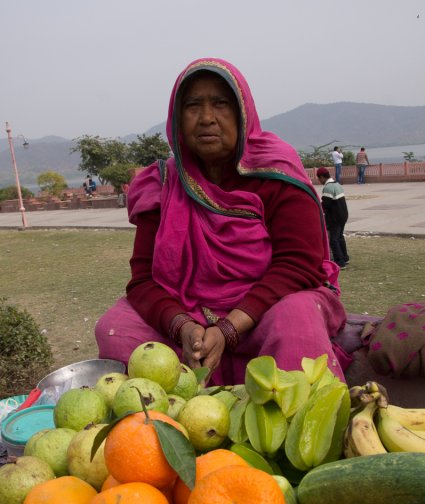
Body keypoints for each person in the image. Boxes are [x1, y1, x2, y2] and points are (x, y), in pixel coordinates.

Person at [95, 58, 350, 385]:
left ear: (243, 112)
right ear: (176, 117)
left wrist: (229, 328)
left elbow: (300, 264)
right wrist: (184, 327)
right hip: (191, 318)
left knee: (295, 320)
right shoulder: (163, 184)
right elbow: (143, 280)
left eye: (220, 104)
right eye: (192, 106)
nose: (206, 118)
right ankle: (163, 423)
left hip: (267, 309)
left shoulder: (277, 173)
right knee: (116, 329)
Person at [316, 167, 349, 269]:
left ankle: (340, 262)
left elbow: (326, 204)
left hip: (335, 217)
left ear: (322, 177)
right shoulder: (337, 184)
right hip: (343, 215)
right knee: (340, 237)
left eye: (319, 178)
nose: (319, 181)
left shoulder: (328, 188)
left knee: (333, 240)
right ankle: (345, 257)